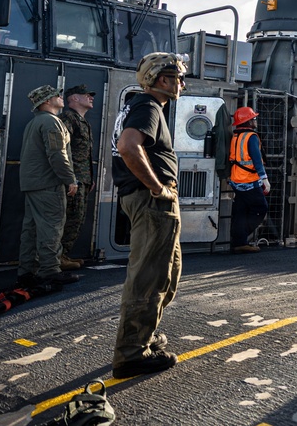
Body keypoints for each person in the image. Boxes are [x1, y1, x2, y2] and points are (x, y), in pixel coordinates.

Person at [110, 52, 186, 379]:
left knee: (168, 274)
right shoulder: (148, 106)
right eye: (177, 77)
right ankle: (130, 354)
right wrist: (157, 188)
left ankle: (146, 335)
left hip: (151, 201)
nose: (182, 83)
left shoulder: (142, 107)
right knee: (148, 277)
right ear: (160, 79)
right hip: (152, 201)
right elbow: (129, 147)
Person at [17, 85, 80, 288]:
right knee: (52, 227)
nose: (61, 97)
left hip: (32, 184)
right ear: (46, 102)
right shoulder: (52, 122)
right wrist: (70, 179)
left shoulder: (34, 122)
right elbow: (57, 154)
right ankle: (50, 271)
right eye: (56, 95)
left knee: (32, 229)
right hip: (48, 184)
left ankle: (27, 271)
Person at [59, 83, 96, 270]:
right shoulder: (68, 118)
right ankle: (58, 257)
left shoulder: (82, 121)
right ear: (74, 98)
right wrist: (70, 177)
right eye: (86, 94)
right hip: (73, 179)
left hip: (83, 179)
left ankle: (63, 255)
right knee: (70, 218)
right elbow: (61, 149)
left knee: (77, 218)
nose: (91, 97)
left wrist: (89, 176)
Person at [228, 106, 270, 253]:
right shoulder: (251, 137)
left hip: (236, 179)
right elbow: (256, 159)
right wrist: (264, 179)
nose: (256, 121)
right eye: (254, 118)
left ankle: (238, 242)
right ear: (249, 121)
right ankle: (241, 236)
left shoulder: (236, 136)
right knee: (260, 207)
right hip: (248, 180)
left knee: (241, 210)